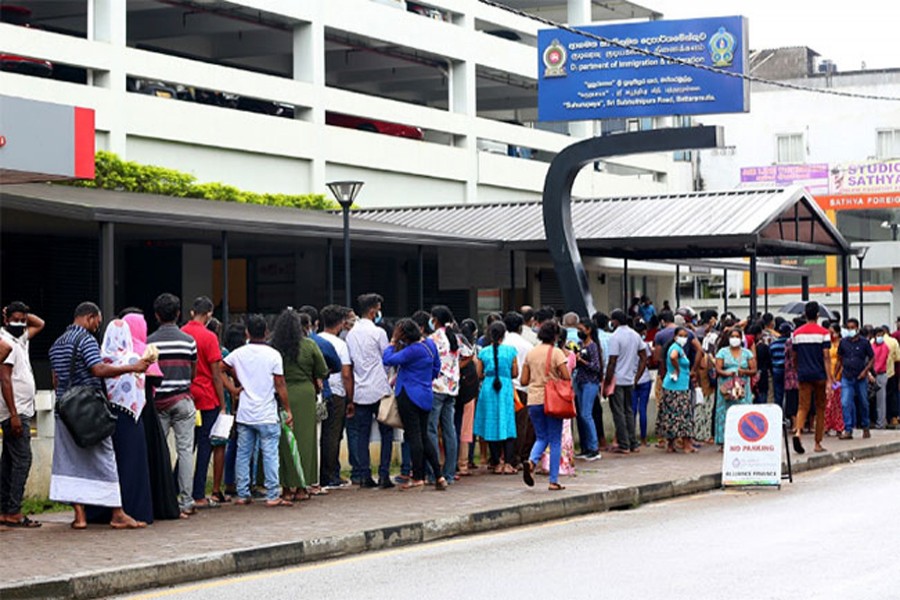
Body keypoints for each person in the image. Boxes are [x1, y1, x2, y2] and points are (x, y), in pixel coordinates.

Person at [48, 301, 151, 529]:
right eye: (97, 321)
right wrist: (131, 368)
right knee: (106, 458)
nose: (98, 326)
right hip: (89, 410)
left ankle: (80, 517)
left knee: (70, 461)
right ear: (90, 317)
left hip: (64, 410)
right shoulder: (86, 340)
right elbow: (98, 369)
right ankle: (117, 512)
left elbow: (55, 379)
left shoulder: (56, 343)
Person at [85, 319, 156, 525]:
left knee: (106, 465)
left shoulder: (100, 359)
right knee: (131, 465)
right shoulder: (134, 358)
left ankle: (102, 511)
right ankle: (133, 510)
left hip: (106, 418)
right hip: (130, 418)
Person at [221, 314, 293, 507]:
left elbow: (219, 369)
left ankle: (243, 494)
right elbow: (280, 384)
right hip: (267, 412)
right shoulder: (273, 354)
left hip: (245, 411)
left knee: (243, 453)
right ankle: (272, 494)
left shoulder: (238, 353)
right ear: (267, 332)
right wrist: (287, 409)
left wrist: (233, 389)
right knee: (270, 453)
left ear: (247, 332)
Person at [123, 311, 179, 521]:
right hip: (147, 411)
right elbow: (156, 380)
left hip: (127, 413)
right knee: (154, 458)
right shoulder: (144, 350)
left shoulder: (118, 351)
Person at [146, 293, 198, 518]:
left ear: (156, 315)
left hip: (157, 403)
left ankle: (162, 499)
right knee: (185, 451)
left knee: (160, 452)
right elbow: (193, 372)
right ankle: (186, 500)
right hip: (183, 399)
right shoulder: (189, 341)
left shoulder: (149, 342)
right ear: (178, 314)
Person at [271, 310, 328, 499]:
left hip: (281, 395)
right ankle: (302, 488)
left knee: (284, 443)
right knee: (306, 442)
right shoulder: (309, 345)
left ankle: (286, 488)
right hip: (305, 395)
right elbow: (323, 370)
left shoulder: (274, 348)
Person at [382, 318, 445, 490]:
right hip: (425, 394)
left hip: (408, 394)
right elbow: (436, 367)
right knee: (424, 436)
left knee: (414, 437)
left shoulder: (412, 350)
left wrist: (393, 341)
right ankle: (439, 476)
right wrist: (424, 379)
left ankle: (418, 477)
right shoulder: (430, 345)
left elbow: (388, 359)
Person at [0, 301, 43, 528]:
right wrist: (14, 414)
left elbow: (40, 323)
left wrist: (21, 316)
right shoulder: (4, 342)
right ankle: (13, 511)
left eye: (23, 320)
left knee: (9, 461)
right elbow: (5, 379)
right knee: (22, 461)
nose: (21, 323)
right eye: (15, 319)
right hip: (14, 412)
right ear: (6, 319)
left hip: (22, 410)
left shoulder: (19, 339)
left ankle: (5, 510)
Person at [181, 296, 227, 508]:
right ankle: (198, 492)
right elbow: (217, 374)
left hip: (186, 395)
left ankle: (176, 486)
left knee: (186, 446)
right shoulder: (209, 337)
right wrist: (223, 404)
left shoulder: (182, 333)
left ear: (192, 312)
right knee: (204, 446)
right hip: (207, 397)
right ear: (209, 314)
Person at [345, 293, 394, 489]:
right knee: (386, 433)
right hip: (379, 388)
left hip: (360, 391)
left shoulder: (351, 334)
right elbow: (387, 358)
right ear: (374, 311)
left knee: (362, 434)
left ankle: (364, 475)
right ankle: (384, 474)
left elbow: (349, 365)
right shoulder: (379, 333)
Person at [521, 321, 571, 491]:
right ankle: (553, 481)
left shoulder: (531, 353)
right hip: (552, 400)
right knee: (555, 440)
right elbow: (566, 375)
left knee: (541, 437)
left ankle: (532, 461)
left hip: (533, 400)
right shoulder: (556, 352)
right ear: (555, 336)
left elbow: (523, 380)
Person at [428, 305, 470, 484]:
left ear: (435, 319)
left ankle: (434, 473)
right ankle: (450, 473)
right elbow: (469, 355)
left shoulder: (433, 338)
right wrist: (455, 370)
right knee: (449, 430)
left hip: (437, 386)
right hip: (452, 388)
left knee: (431, 429)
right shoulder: (457, 337)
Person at [474, 321, 519, 473]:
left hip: (488, 387)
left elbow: (479, 374)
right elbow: (515, 373)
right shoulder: (511, 351)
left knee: (491, 423)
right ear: (504, 335)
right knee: (508, 423)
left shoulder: (483, 352)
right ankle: (508, 462)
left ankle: (495, 462)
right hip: (505, 387)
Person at [318, 305, 355, 488]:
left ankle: (318, 473)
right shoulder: (341, 345)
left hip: (318, 391)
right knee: (333, 435)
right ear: (341, 323)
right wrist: (350, 398)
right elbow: (346, 374)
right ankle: (330, 475)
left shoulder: (315, 340)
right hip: (336, 392)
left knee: (320, 434)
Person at [791, 301, 833, 454]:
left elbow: (794, 355)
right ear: (817, 315)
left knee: (802, 406)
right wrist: (829, 379)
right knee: (820, 408)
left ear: (804, 314)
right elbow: (826, 357)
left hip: (804, 374)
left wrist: (797, 369)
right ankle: (817, 443)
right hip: (820, 374)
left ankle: (798, 432)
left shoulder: (797, 333)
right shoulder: (824, 333)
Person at [604, 310, 648, 454]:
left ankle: (623, 444)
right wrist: (637, 376)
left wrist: (606, 382)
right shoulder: (635, 335)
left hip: (617, 379)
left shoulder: (615, 337)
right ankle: (633, 443)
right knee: (629, 411)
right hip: (630, 379)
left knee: (618, 412)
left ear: (615, 321)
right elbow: (643, 356)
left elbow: (612, 361)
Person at [502, 311, 535, 469]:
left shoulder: (502, 343)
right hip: (522, 387)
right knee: (520, 424)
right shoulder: (527, 345)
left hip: (503, 386)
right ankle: (517, 457)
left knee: (503, 423)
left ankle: (501, 458)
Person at [714, 328, 757, 448]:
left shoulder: (747, 353)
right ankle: (723, 441)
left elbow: (753, 370)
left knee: (743, 411)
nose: (735, 339)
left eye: (737, 336)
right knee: (724, 413)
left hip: (743, 386)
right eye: (732, 336)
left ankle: (743, 438)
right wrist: (726, 373)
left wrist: (743, 371)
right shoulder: (722, 352)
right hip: (726, 386)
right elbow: (718, 368)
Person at [836, 318, 874, 440]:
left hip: (860, 377)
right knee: (845, 402)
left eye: (853, 328)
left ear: (857, 328)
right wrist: (835, 375)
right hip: (847, 377)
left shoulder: (864, 343)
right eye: (848, 328)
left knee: (863, 402)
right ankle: (848, 429)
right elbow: (839, 358)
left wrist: (866, 371)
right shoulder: (843, 342)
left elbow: (872, 358)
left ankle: (865, 426)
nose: (850, 330)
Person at [659, 327, 695, 454]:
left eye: (685, 336)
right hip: (677, 387)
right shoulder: (675, 348)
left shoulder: (680, 348)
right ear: (675, 337)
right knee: (682, 415)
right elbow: (673, 357)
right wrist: (677, 369)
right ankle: (686, 445)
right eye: (681, 335)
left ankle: (671, 444)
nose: (683, 338)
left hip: (675, 386)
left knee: (671, 415)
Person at [573, 317, 602, 460]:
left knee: (586, 414)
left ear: (588, 330)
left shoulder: (592, 346)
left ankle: (594, 447)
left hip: (590, 382)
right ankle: (585, 446)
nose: (579, 332)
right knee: (581, 415)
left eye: (581, 330)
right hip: (579, 381)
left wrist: (582, 361)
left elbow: (596, 367)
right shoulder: (580, 344)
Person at [632, 321, 653, 447]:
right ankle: (644, 439)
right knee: (643, 409)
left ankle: (632, 437)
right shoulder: (644, 345)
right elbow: (648, 362)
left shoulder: (630, 344)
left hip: (631, 379)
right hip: (644, 379)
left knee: (632, 410)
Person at [824, 325, 845, 436]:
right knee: (828, 403)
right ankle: (827, 426)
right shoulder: (828, 344)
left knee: (837, 404)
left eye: (832, 332)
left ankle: (838, 426)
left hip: (837, 377)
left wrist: (836, 375)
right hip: (828, 376)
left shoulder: (841, 344)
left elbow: (841, 361)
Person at [871, 327, 891, 430]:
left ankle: (881, 422)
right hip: (871, 375)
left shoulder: (885, 347)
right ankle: (874, 420)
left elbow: (881, 361)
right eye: (878, 335)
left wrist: (873, 372)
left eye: (881, 335)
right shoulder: (871, 346)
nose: (880, 337)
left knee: (880, 400)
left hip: (880, 375)